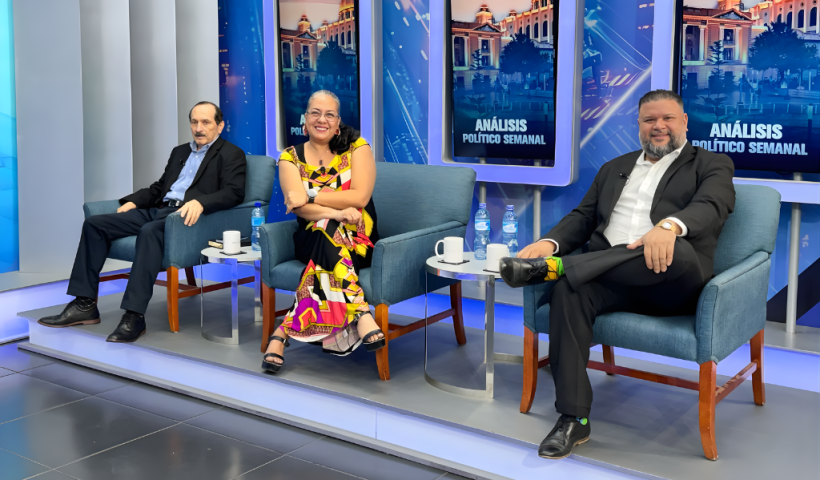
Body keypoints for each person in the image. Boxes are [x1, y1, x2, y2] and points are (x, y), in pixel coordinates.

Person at [499, 90, 735, 459]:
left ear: (684, 122)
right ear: (639, 125)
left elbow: (712, 205)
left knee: (669, 249)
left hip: (671, 279)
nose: (659, 126)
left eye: (668, 118)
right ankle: (574, 418)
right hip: (612, 281)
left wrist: (669, 227)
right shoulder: (615, 167)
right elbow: (583, 216)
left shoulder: (711, 163)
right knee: (569, 291)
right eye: (649, 120)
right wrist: (549, 243)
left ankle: (555, 270)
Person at [39, 102, 247, 342]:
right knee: (95, 224)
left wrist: (201, 202)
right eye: (194, 122)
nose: (199, 128)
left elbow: (234, 192)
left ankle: (134, 316)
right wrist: (133, 201)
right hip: (159, 210)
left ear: (219, 126)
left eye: (206, 122)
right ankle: (84, 304)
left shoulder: (231, 154)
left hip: (184, 219)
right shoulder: (180, 151)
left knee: (149, 232)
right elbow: (160, 187)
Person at [261, 90, 384, 373]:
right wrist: (336, 212)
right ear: (304, 119)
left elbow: (360, 197)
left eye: (330, 114)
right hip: (310, 237)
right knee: (325, 227)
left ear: (338, 122)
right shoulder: (289, 158)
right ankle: (360, 311)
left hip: (360, 238)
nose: (322, 119)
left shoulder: (358, 147)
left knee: (326, 234)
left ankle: (281, 333)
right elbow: (299, 210)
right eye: (315, 113)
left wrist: (312, 195)